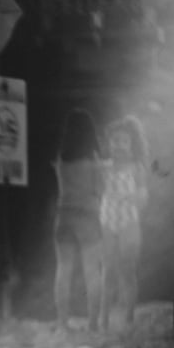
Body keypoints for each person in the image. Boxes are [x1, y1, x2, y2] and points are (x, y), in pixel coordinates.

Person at [52, 108, 106, 331]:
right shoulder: (94, 160)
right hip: (88, 217)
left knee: (63, 269)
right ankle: (93, 322)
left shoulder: (60, 159)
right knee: (92, 271)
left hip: (64, 215)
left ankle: (62, 322)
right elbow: (100, 189)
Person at [99, 115, 151, 330]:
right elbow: (94, 191)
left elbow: (143, 197)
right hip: (108, 220)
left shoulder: (136, 168)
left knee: (127, 270)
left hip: (129, 221)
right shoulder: (104, 167)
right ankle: (104, 317)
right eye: (114, 140)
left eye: (123, 141)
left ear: (131, 144)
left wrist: (133, 198)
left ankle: (128, 315)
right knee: (108, 270)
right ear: (109, 143)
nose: (118, 145)